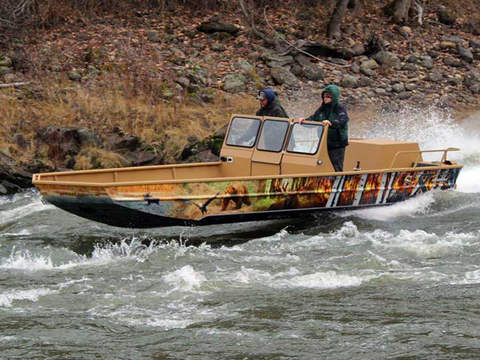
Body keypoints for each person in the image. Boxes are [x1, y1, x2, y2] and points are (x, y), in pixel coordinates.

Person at [299, 84, 349, 172]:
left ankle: (338, 182)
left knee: (337, 167)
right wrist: (305, 121)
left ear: (334, 97)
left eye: (328, 96)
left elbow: (342, 120)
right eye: (324, 96)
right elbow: (314, 119)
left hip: (337, 143)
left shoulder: (339, 109)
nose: (325, 98)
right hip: (323, 142)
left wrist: (331, 123)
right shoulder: (322, 108)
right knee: (320, 164)